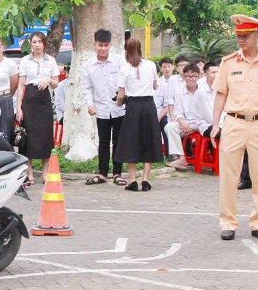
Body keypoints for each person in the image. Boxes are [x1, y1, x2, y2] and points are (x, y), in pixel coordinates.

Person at [210, 15, 258, 241]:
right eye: (238, 36)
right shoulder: (229, 62)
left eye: (246, 36)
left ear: (257, 35)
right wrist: (215, 124)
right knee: (229, 176)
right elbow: (221, 94)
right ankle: (228, 222)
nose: (241, 41)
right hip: (233, 122)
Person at [113, 38, 162, 191]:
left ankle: (132, 180)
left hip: (133, 106)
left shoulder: (124, 69)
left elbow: (121, 95)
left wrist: (118, 103)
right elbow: (155, 85)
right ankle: (145, 179)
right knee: (149, 141)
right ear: (140, 49)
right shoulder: (151, 65)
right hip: (148, 105)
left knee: (131, 142)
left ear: (126, 51)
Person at [81, 29, 125, 186]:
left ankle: (118, 173)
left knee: (119, 141)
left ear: (111, 45)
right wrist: (90, 104)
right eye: (100, 45)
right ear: (94, 45)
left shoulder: (120, 61)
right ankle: (102, 173)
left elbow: (126, 82)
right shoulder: (88, 65)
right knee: (104, 142)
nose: (103, 49)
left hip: (119, 108)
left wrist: (123, 98)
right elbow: (86, 88)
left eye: (106, 45)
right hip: (101, 110)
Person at [15, 32, 59, 187]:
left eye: (40, 42)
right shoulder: (25, 60)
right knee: (29, 137)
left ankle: (46, 172)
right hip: (29, 99)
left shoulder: (51, 60)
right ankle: (29, 171)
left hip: (44, 100)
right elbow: (21, 85)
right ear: (30, 44)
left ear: (44, 44)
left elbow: (56, 83)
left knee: (45, 136)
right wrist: (19, 107)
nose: (37, 45)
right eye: (34, 42)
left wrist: (48, 80)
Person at [163, 63, 212, 170]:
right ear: (184, 76)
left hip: (203, 123)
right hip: (187, 122)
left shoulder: (203, 90)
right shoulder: (179, 92)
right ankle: (181, 158)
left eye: (194, 76)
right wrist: (183, 122)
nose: (191, 79)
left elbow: (208, 112)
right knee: (170, 126)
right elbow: (178, 112)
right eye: (188, 76)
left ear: (198, 76)